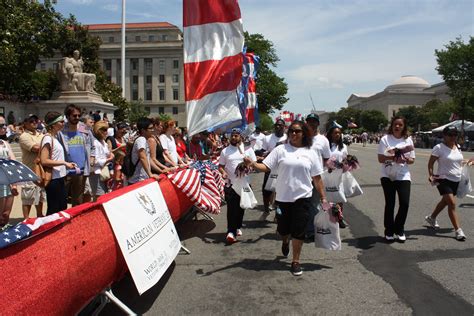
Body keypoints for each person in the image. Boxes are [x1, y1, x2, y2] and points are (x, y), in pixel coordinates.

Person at [245, 121, 326, 276]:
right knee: (283, 229)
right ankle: (285, 240)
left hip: (302, 198)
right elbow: (266, 167)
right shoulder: (280, 150)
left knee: (299, 230)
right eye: (291, 131)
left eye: (297, 131)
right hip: (282, 198)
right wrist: (253, 164)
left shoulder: (312, 152)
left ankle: (296, 261)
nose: (293, 134)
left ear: (304, 134)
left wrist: (323, 198)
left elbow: (317, 178)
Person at [425, 126, 470, 241]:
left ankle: (432, 217)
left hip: (456, 179)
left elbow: (458, 162)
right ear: (444, 135)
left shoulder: (458, 147)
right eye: (450, 134)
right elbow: (431, 164)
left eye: (455, 134)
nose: (453, 137)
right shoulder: (438, 148)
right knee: (452, 203)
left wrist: (467, 162)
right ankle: (458, 230)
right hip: (443, 179)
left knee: (445, 202)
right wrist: (431, 175)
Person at [377, 116, 415, 242]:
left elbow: (412, 160)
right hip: (387, 175)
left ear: (404, 127)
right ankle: (389, 230)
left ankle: (399, 228)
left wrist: (406, 159)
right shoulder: (385, 139)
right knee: (390, 203)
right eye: (395, 124)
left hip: (403, 175)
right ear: (392, 126)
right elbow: (381, 159)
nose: (397, 127)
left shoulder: (408, 140)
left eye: (400, 125)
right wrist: (394, 156)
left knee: (404, 203)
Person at [219, 128, 257, 244]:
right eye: (233, 135)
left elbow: (254, 165)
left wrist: (247, 166)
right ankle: (231, 231)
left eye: (236, 135)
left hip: (244, 183)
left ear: (241, 137)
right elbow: (220, 166)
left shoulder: (248, 150)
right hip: (230, 184)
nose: (234, 137)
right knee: (231, 208)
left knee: (241, 207)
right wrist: (223, 173)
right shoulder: (225, 151)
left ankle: (238, 226)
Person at [40, 112, 77, 215]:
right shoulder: (47, 138)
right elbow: (44, 160)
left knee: (61, 207)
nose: (63, 123)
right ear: (54, 124)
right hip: (53, 179)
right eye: (61, 121)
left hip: (59, 178)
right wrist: (64, 163)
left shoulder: (54, 138)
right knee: (54, 209)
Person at [58, 104, 93, 206]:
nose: (77, 118)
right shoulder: (61, 130)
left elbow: (92, 145)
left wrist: (92, 157)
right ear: (68, 116)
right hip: (65, 170)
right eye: (74, 115)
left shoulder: (84, 128)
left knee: (78, 199)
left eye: (78, 115)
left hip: (81, 170)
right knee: (62, 199)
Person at [305, 113, 331, 239]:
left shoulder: (323, 140)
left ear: (318, 124)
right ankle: (303, 227)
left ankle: (311, 231)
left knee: (314, 204)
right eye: (309, 121)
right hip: (302, 177)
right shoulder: (302, 138)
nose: (311, 123)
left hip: (317, 177)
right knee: (303, 204)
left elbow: (327, 159)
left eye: (314, 121)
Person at [19, 115, 45, 219]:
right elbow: (35, 148)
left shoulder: (40, 134)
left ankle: (39, 215)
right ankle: (26, 219)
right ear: (25, 123)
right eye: (31, 121)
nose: (34, 122)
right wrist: (46, 146)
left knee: (40, 195)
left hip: (40, 169)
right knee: (28, 196)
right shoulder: (24, 136)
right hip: (29, 170)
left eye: (36, 120)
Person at [260, 119, 287, 219]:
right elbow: (263, 151)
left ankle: (277, 213)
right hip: (270, 166)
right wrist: (264, 154)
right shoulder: (267, 138)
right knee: (266, 190)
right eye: (276, 125)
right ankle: (266, 209)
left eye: (280, 125)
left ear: (284, 127)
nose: (278, 127)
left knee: (280, 191)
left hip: (283, 168)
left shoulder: (287, 138)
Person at [325, 122, 349, 228]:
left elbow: (345, 160)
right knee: (327, 197)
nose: (337, 135)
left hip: (339, 174)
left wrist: (346, 164)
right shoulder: (326, 145)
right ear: (330, 134)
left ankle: (339, 218)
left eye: (339, 133)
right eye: (335, 133)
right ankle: (327, 218)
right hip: (326, 174)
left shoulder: (343, 146)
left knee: (339, 197)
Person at [127, 117, 161, 185]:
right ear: (143, 130)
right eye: (150, 128)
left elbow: (148, 159)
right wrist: (150, 174)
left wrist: (161, 170)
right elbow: (143, 158)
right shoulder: (141, 140)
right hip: (137, 180)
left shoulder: (144, 140)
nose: (153, 130)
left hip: (142, 179)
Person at [0, 115, 18, 229]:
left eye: (4, 125)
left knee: (6, 215)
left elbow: (14, 162)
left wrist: (14, 184)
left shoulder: (5, 143)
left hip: (8, 182)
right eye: (1, 125)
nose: (4, 127)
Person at [90, 121, 114, 201]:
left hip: (104, 172)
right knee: (99, 197)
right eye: (104, 130)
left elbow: (106, 153)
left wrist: (110, 154)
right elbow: (94, 160)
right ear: (98, 130)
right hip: (96, 173)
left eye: (106, 130)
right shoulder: (95, 143)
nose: (106, 132)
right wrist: (108, 160)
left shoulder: (103, 142)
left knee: (104, 196)